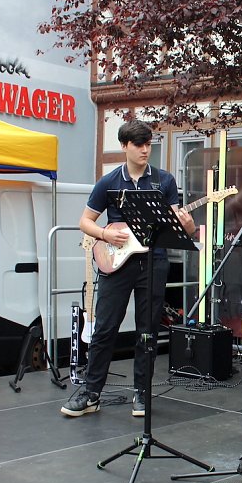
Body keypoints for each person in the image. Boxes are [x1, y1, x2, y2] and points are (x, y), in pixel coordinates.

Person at [61, 120, 195, 418]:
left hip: (153, 260)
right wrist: (106, 234)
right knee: (105, 327)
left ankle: (142, 393)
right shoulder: (109, 182)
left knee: (147, 331)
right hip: (117, 261)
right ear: (125, 146)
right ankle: (91, 392)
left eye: (148, 144)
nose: (146, 150)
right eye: (139, 144)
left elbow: (179, 224)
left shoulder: (164, 181)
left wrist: (187, 224)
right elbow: (85, 221)